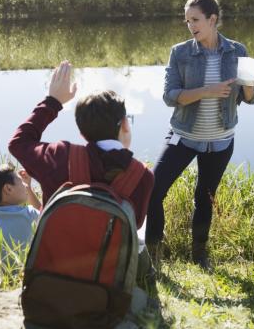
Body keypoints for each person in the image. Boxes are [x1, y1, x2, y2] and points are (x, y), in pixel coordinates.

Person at [145, 0, 254, 270]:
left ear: (212, 19)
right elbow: (170, 97)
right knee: (152, 190)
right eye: (187, 21)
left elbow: (251, 98)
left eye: (195, 20)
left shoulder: (237, 50)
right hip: (183, 137)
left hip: (220, 141)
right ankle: (153, 254)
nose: (190, 26)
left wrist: (249, 85)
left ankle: (199, 255)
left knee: (205, 199)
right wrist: (206, 91)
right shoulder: (180, 53)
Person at [8, 61, 154, 231]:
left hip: (58, 255)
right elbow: (133, 226)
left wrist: (52, 102)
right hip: (111, 257)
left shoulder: (59, 156)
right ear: (125, 125)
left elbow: (18, 142)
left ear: (83, 134)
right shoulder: (143, 177)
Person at [0, 164, 42, 264]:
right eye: (21, 182)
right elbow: (45, 215)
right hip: (25, 277)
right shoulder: (29, 215)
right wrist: (30, 189)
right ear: (8, 189)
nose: (25, 185)